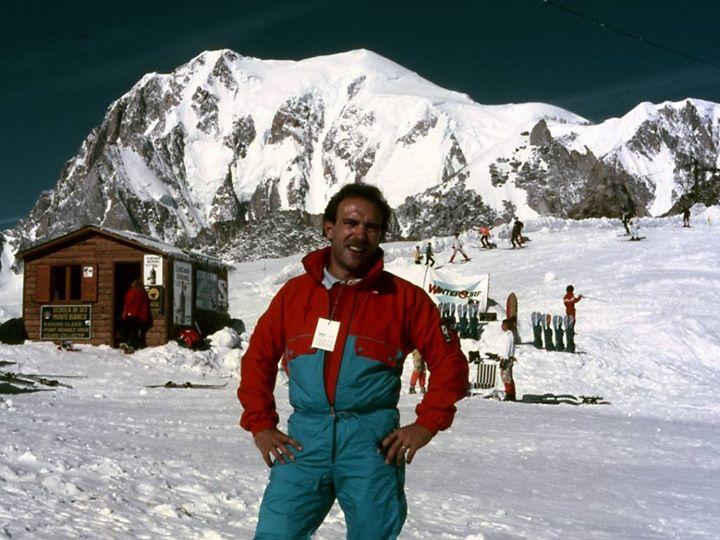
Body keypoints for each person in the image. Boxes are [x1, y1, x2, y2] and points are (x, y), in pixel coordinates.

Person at [238, 183, 469, 539]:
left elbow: (450, 362)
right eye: (350, 223)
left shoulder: (404, 299)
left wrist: (427, 424)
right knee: (275, 534)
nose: (360, 234)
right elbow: (257, 359)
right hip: (303, 446)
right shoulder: (294, 296)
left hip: (372, 448)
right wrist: (261, 425)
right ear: (329, 228)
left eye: (371, 227)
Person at [121, 279, 150, 350]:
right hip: (139, 316)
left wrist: (125, 312)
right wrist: (144, 316)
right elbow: (145, 306)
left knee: (128, 329)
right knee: (135, 330)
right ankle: (134, 345)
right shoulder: (143, 294)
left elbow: (127, 303)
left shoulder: (131, 292)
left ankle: (127, 342)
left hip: (130, 314)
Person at [498, 319, 517, 401]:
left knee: (506, 377)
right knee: (505, 376)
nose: (502, 326)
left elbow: (507, 347)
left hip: (506, 358)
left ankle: (510, 394)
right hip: (504, 357)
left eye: (503, 325)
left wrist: (505, 358)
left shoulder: (509, 335)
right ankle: (510, 393)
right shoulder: (506, 335)